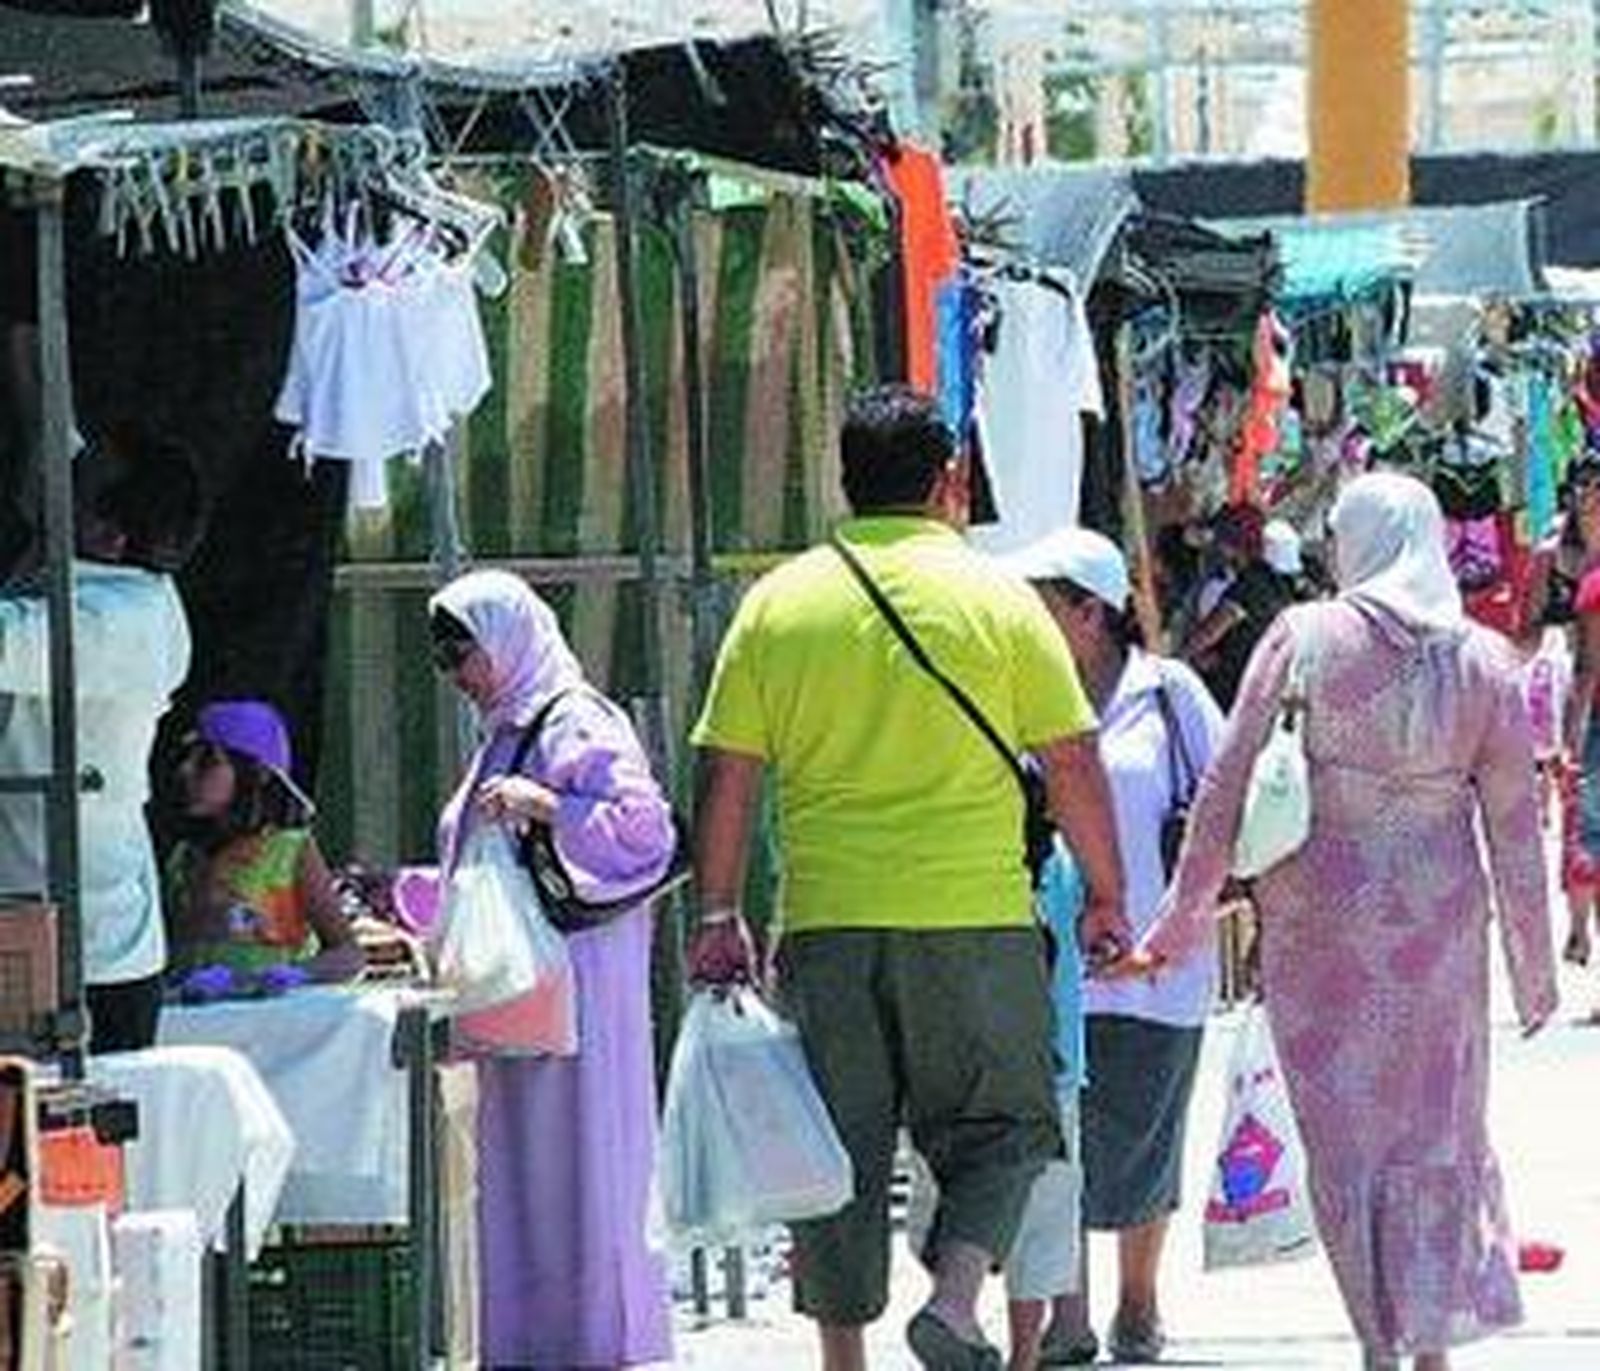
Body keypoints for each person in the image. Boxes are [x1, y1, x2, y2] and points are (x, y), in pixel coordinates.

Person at [687, 385, 1128, 1371]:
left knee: (830, 1151)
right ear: (949, 480)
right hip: (976, 922)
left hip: (828, 926)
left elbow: (728, 773)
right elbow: (1070, 761)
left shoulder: (779, 605)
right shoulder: (999, 601)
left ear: (844, 480)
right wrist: (1106, 896)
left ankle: (842, 1358)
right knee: (1009, 1125)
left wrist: (718, 911)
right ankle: (956, 1298)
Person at [1112, 472, 1558, 1371]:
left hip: (1320, 932)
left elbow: (1225, 787)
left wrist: (1177, 926)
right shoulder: (1482, 660)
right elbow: (1515, 828)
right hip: (1438, 933)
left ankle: (1377, 1342)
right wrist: (1534, 973)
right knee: (1438, 1135)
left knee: (1345, 1142)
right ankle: (1428, 1344)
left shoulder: (1304, 637)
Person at [428, 567, 676, 1370]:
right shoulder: (504, 729)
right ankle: (532, 1336)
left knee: (584, 1153)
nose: (457, 675)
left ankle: (599, 1338)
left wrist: (544, 805)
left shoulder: (575, 720)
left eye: (464, 654)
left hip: (580, 983)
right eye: (445, 659)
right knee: (519, 1162)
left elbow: (644, 830)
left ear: (509, 643)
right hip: (523, 987)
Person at [1003, 528, 1223, 1367]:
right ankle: (1071, 1312)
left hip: (1158, 964)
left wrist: (1187, 921)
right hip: (1047, 961)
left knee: (1145, 1135)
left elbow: (1223, 802)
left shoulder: (1169, 694)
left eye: (1042, 603)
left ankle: (1139, 1295)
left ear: (1089, 611)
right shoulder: (1015, 694)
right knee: (1056, 1142)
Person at [0, 426, 202, 1052]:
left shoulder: (121, 621)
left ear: (109, 535)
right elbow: (56, 433)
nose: (55, 491)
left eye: (75, 490)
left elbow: (11, 639)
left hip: (89, 956)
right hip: (38, 918)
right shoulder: (103, 586)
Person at [164, 699, 362, 984]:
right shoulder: (184, 858)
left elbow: (349, 954)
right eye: (188, 758)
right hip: (192, 1010)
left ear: (256, 773)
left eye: (207, 760)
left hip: (269, 1010)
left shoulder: (291, 851)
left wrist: (297, 973)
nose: (186, 770)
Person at [1183, 502, 1294, 712]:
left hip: (1233, 690)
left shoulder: (1249, 585)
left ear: (1235, 546)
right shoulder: (1275, 582)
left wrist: (1182, 654)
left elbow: (1209, 632)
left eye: (1223, 541)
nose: (1218, 547)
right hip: (1261, 689)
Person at [1559, 459, 1600, 967]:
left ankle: (1581, 936)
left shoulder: (1593, 586)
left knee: (1591, 835)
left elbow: (1589, 667)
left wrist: (1572, 735)